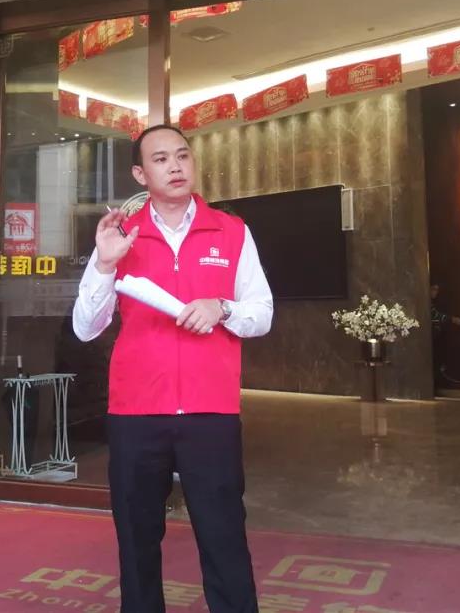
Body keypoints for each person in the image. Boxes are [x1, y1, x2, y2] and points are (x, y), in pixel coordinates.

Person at [72, 124, 274, 613]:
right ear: (141, 174)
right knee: (137, 536)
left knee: (224, 533)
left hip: (210, 410)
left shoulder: (231, 231)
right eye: (160, 159)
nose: (175, 166)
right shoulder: (121, 236)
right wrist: (104, 265)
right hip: (137, 411)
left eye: (182, 155)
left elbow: (262, 313)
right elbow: (85, 327)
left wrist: (222, 307)